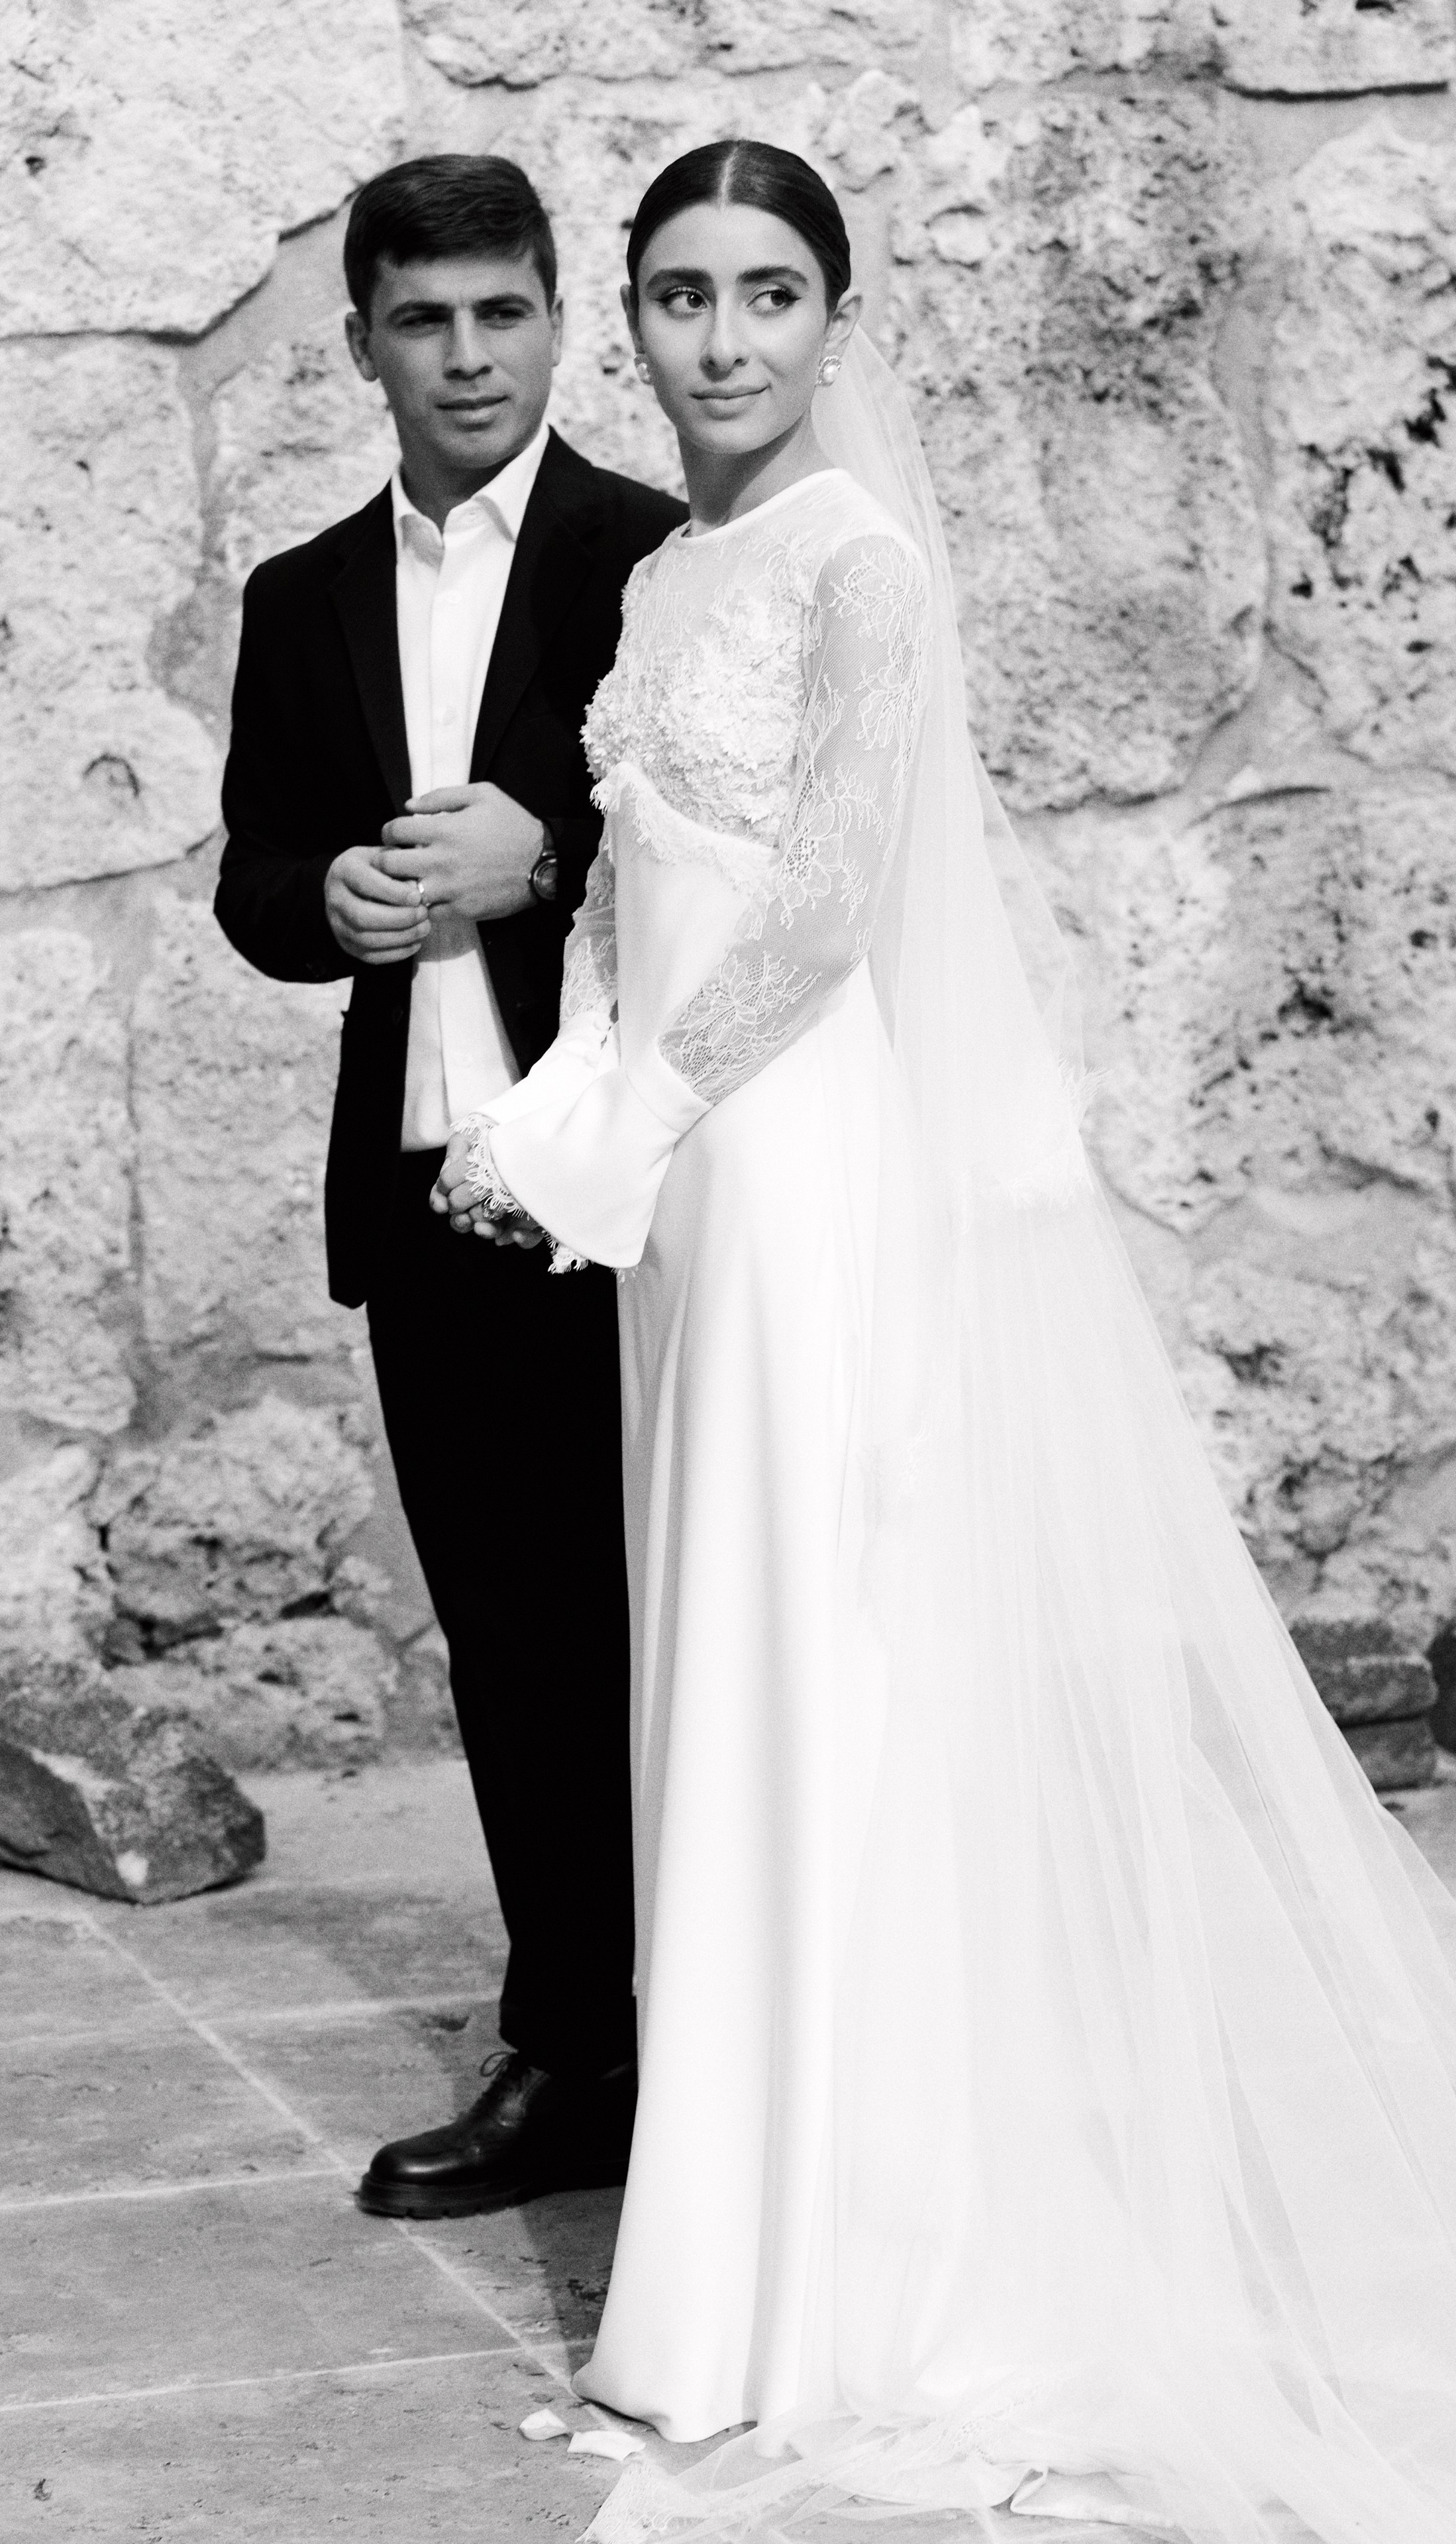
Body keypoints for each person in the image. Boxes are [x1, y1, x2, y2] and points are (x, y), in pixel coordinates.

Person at [438, 140, 1456, 2543]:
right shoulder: (677, 567)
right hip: (685, 1205)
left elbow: (816, 914)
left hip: (794, 1169)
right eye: (685, 294)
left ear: (837, 320)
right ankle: (740, 2260)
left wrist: (621, 1104)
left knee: (818, 1678)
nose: (724, 338)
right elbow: (633, 876)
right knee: (718, 1689)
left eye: (772, 293)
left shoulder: (859, 563)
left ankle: (853, 2280)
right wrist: (593, 1109)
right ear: (635, 314)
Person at [215, 154, 685, 2219]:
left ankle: (724, 2047)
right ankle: (573, 2048)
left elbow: (747, 864)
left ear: (559, 318)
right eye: (428, 319)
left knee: (678, 1620)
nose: (470, 356)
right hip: (425, 1185)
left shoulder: (656, 556)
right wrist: (325, 895)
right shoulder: (299, 599)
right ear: (365, 346)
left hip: (648, 1185)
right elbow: (252, 891)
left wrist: (552, 863)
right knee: (507, 1631)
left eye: (505, 312)